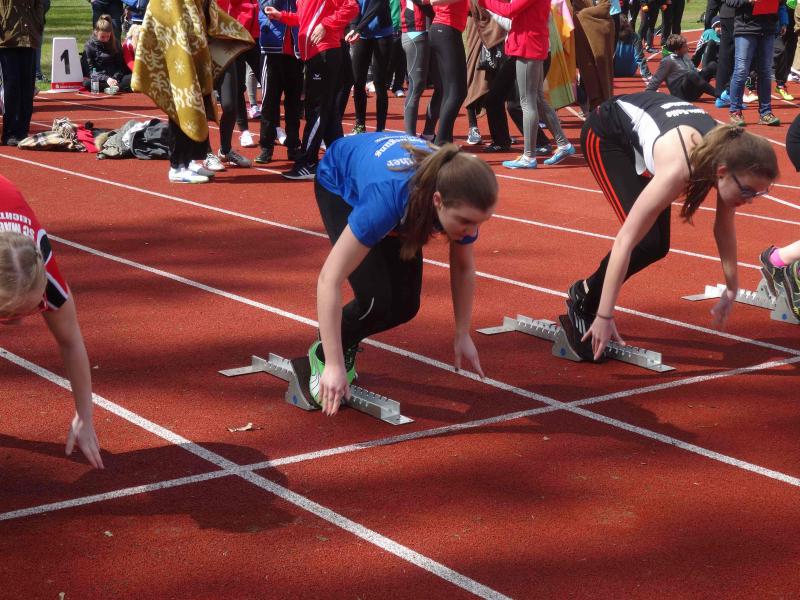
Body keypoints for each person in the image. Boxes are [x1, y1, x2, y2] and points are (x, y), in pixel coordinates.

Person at [567, 91, 778, 361]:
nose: (749, 200)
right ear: (722, 173)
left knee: (656, 245)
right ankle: (585, 300)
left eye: (757, 194)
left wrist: (732, 287)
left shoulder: (729, 154)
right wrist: (604, 315)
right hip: (607, 134)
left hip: (661, 132)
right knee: (646, 242)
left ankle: (586, 290)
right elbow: (625, 241)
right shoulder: (679, 168)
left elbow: (723, 228)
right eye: (747, 191)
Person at [310, 133, 497, 414]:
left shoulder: (458, 197)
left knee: (405, 305)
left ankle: (341, 340)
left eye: (479, 223)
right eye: (465, 222)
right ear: (438, 201)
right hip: (340, 181)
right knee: (375, 300)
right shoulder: (386, 198)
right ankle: (324, 351)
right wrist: (334, 366)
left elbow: (463, 266)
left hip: (399, 195)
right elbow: (329, 279)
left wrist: (462, 333)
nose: (471, 232)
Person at [0, 175, 104, 469]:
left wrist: (84, 416)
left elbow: (71, 341)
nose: (16, 322)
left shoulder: (48, 280)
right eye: (7, 314)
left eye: (26, 311)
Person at [132, 0, 253, 183]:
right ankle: (176, 167)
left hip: (195, 53)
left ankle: (187, 161)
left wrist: (232, 31)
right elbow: (164, 17)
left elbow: (207, 11)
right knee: (181, 108)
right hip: (177, 54)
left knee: (196, 108)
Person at [264, 0, 359, 180]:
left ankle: (307, 162)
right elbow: (304, 18)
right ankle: (340, 162)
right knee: (327, 112)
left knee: (317, 110)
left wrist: (326, 25)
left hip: (324, 53)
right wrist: (281, 16)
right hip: (313, 55)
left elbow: (351, 7)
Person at [478, 0, 575, 169]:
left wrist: (485, 2)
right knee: (537, 99)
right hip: (532, 42)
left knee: (527, 101)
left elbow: (509, 10)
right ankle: (563, 144)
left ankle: (529, 156)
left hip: (528, 44)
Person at [0, 0, 46, 147]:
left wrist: (38, 22)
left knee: (27, 87)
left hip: (29, 37)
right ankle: (10, 132)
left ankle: (22, 131)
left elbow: (40, 4)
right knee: (12, 86)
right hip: (7, 38)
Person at [645, 34, 718, 101]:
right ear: (677, 50)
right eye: (684, 46)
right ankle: (719, 95)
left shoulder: (685, 55)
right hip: (681, 95)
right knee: (690, 74)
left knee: (712, 65)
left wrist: (702, 72)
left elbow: (694, 70)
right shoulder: (668, 61)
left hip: (693, 90)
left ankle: (723, 91)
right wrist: (646, 95)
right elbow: (656, 79)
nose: (687, 48)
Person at [84, 14, 131, 94]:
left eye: (108, 36)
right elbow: (91, 70)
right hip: (101, 78)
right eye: (102, 37)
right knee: (87, 83)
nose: (105, 39)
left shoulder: (115, 43)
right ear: (96, 32)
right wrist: (107, 79)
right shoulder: (89, 46)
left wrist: (115, 78)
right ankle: (116, 88)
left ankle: (115, 87)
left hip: (116, 78)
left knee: (132, 77)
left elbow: (120, 65)